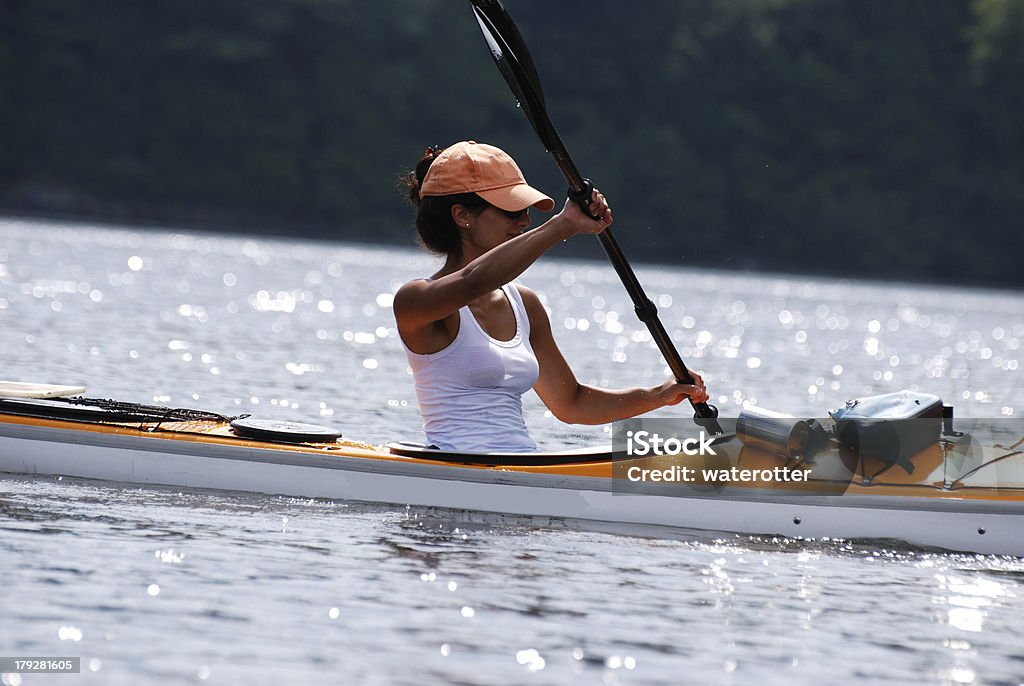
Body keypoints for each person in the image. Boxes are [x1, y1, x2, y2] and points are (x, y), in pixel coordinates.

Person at [394, 140, 709, 453]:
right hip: (453, 464)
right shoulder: (415, 302)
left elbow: (571, 403)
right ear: (463, 215)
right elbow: (471, 282)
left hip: (520, 464)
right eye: (512, 211)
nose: (525, 222)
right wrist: (564, 224)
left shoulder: (524, 305)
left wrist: (659, 395)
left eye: (527, 210)